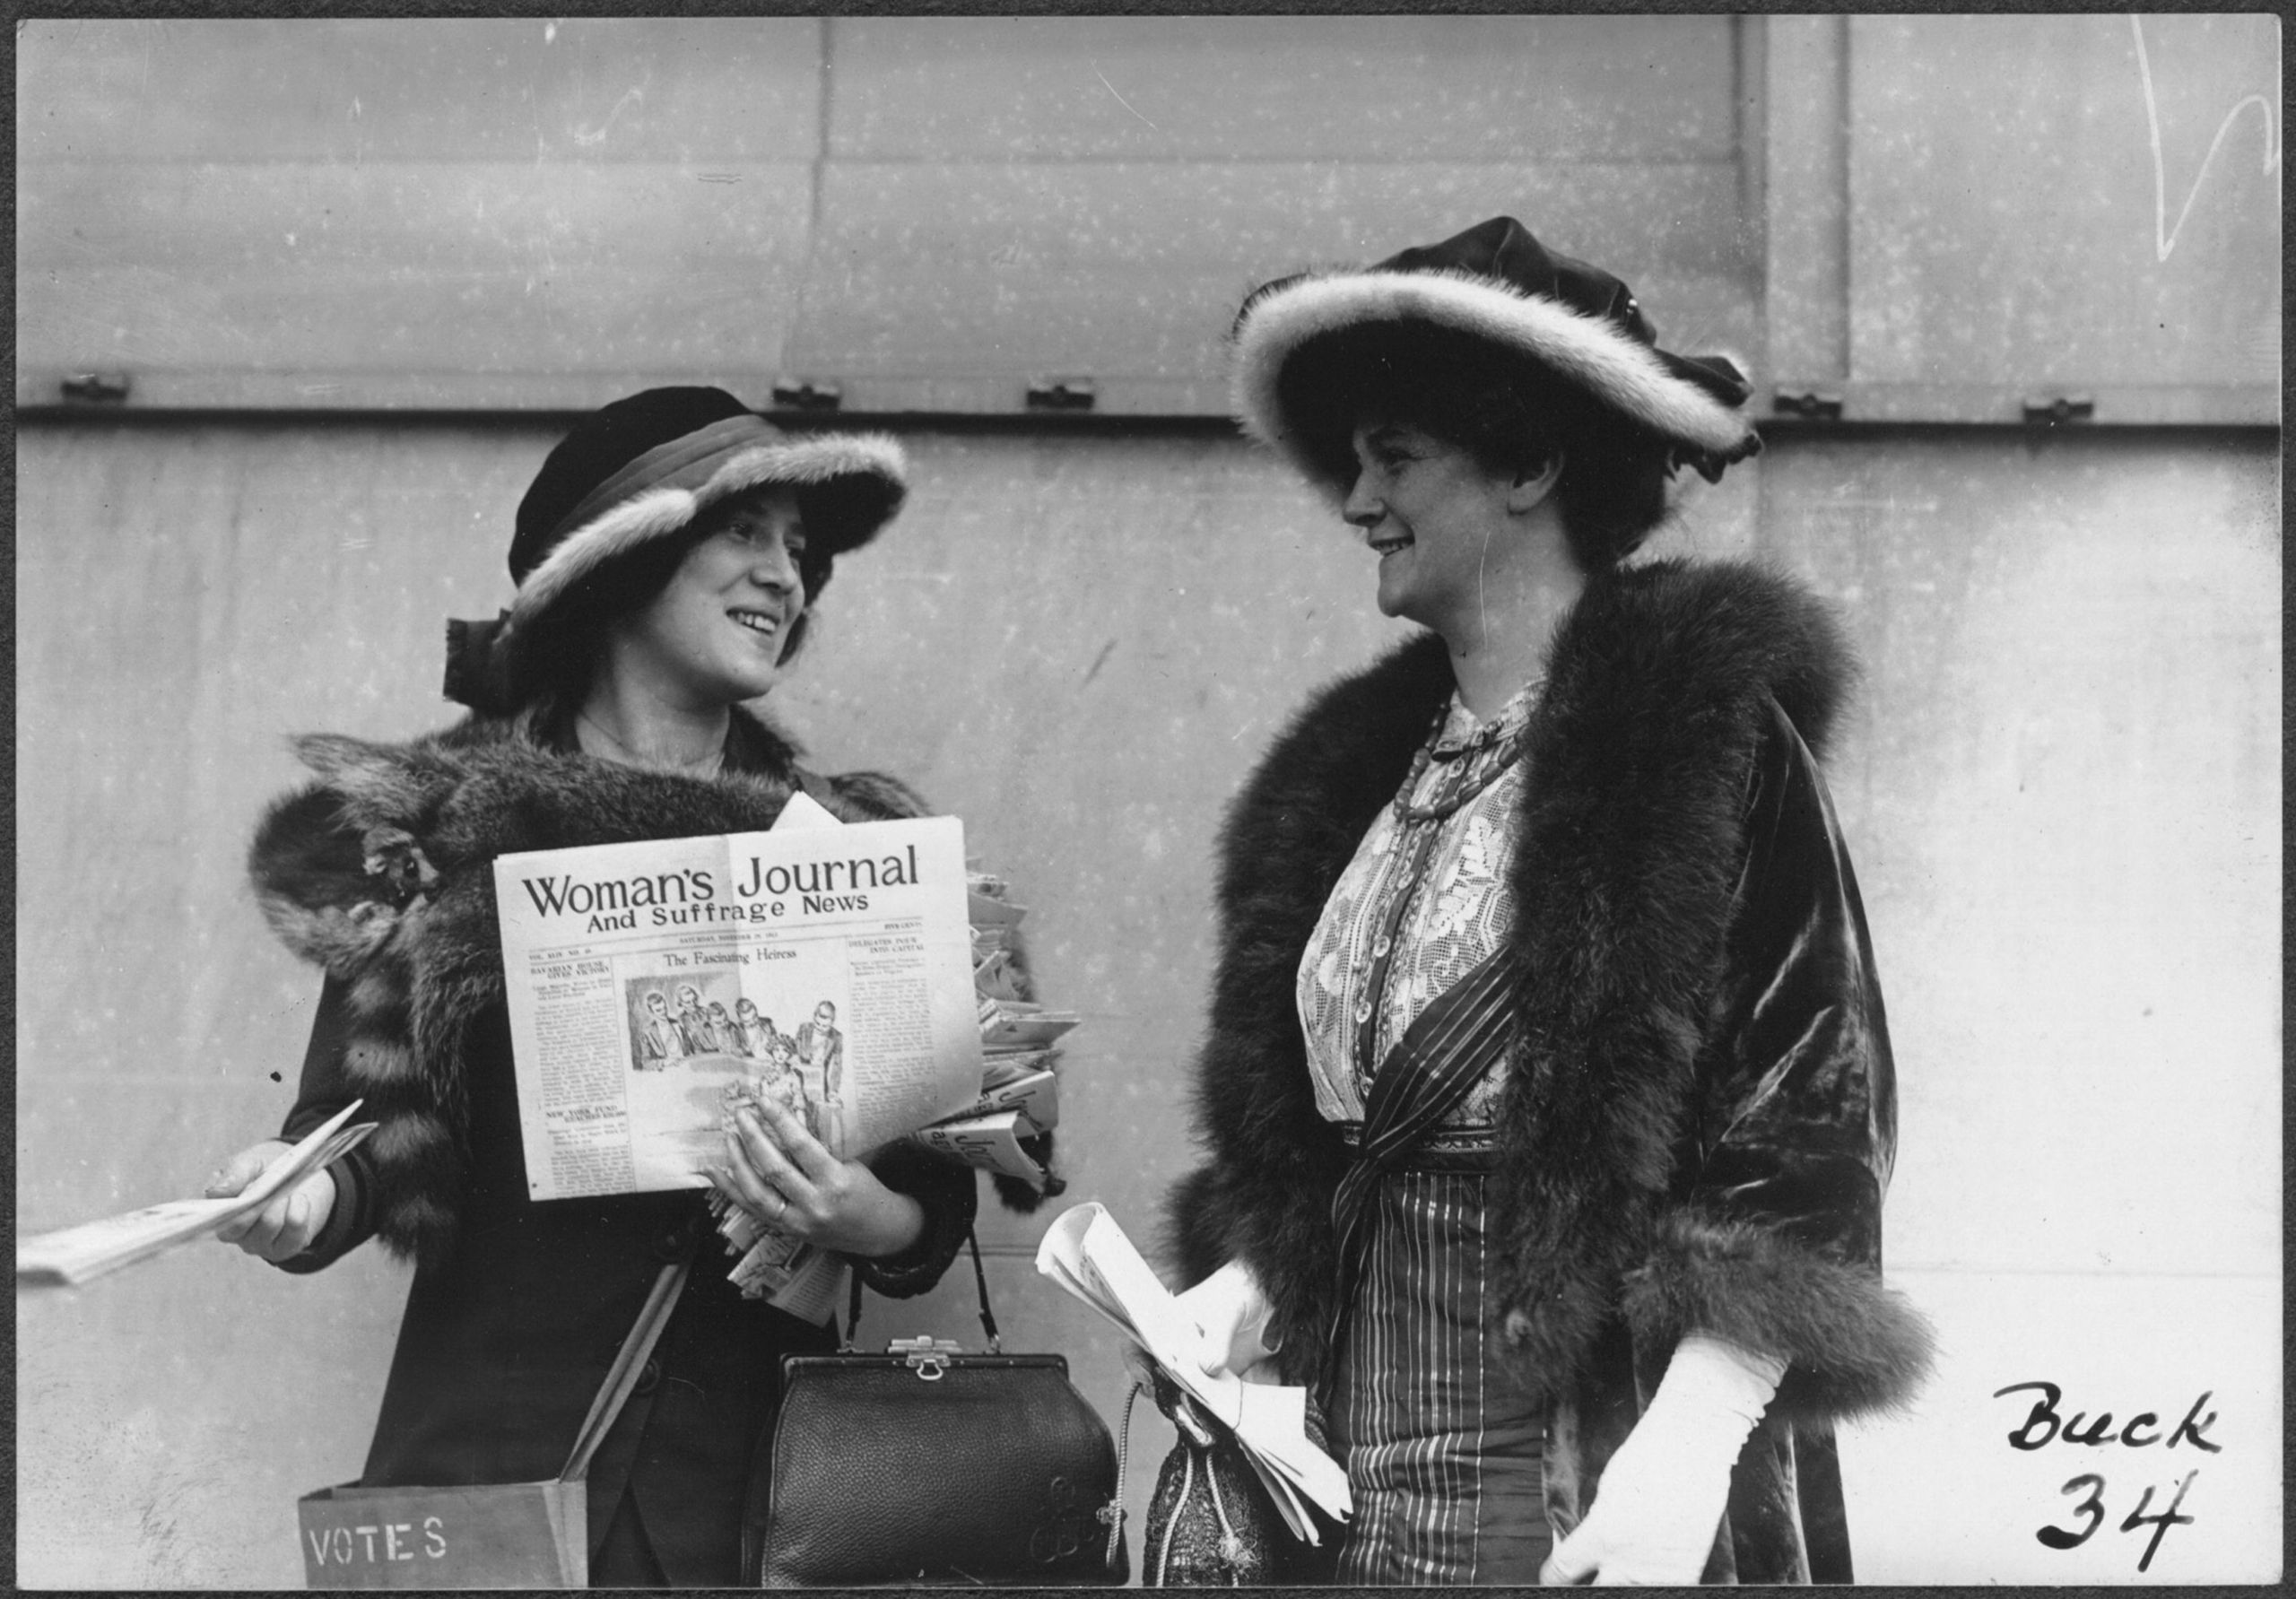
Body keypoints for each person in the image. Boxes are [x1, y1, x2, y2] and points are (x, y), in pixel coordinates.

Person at [1163, 219, 1932, 1586]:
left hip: (1591, 1464)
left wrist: (1691, 1444)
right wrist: (1251, 1273)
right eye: (1352, 462)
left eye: (1393, 455)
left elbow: (1810, 1113)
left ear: (1529, 461)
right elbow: (1327, 1128)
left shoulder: (1702, 742)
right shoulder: (1351, 785)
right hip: (1341, 1469)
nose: (1355, 500)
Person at [203, 387, 980, 1586]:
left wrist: (865, 1216)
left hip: (756, 1510)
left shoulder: (840, 848)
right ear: (627, 558)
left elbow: (934, 1194)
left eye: (801, 551)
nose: (787, 575)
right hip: (498, 1484)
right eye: (748, 532)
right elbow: (356, 1130)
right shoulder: (455, 835)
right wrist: (287, 1200)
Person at [634, 989, 682, 1071]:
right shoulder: (647, 1033)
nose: (664, 1012)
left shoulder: (678, 1023)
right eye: (658, 1010)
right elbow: (646, 1063)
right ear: (651, 1012)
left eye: (665, 1008)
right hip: (667, 1071)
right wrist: (663, 1063)